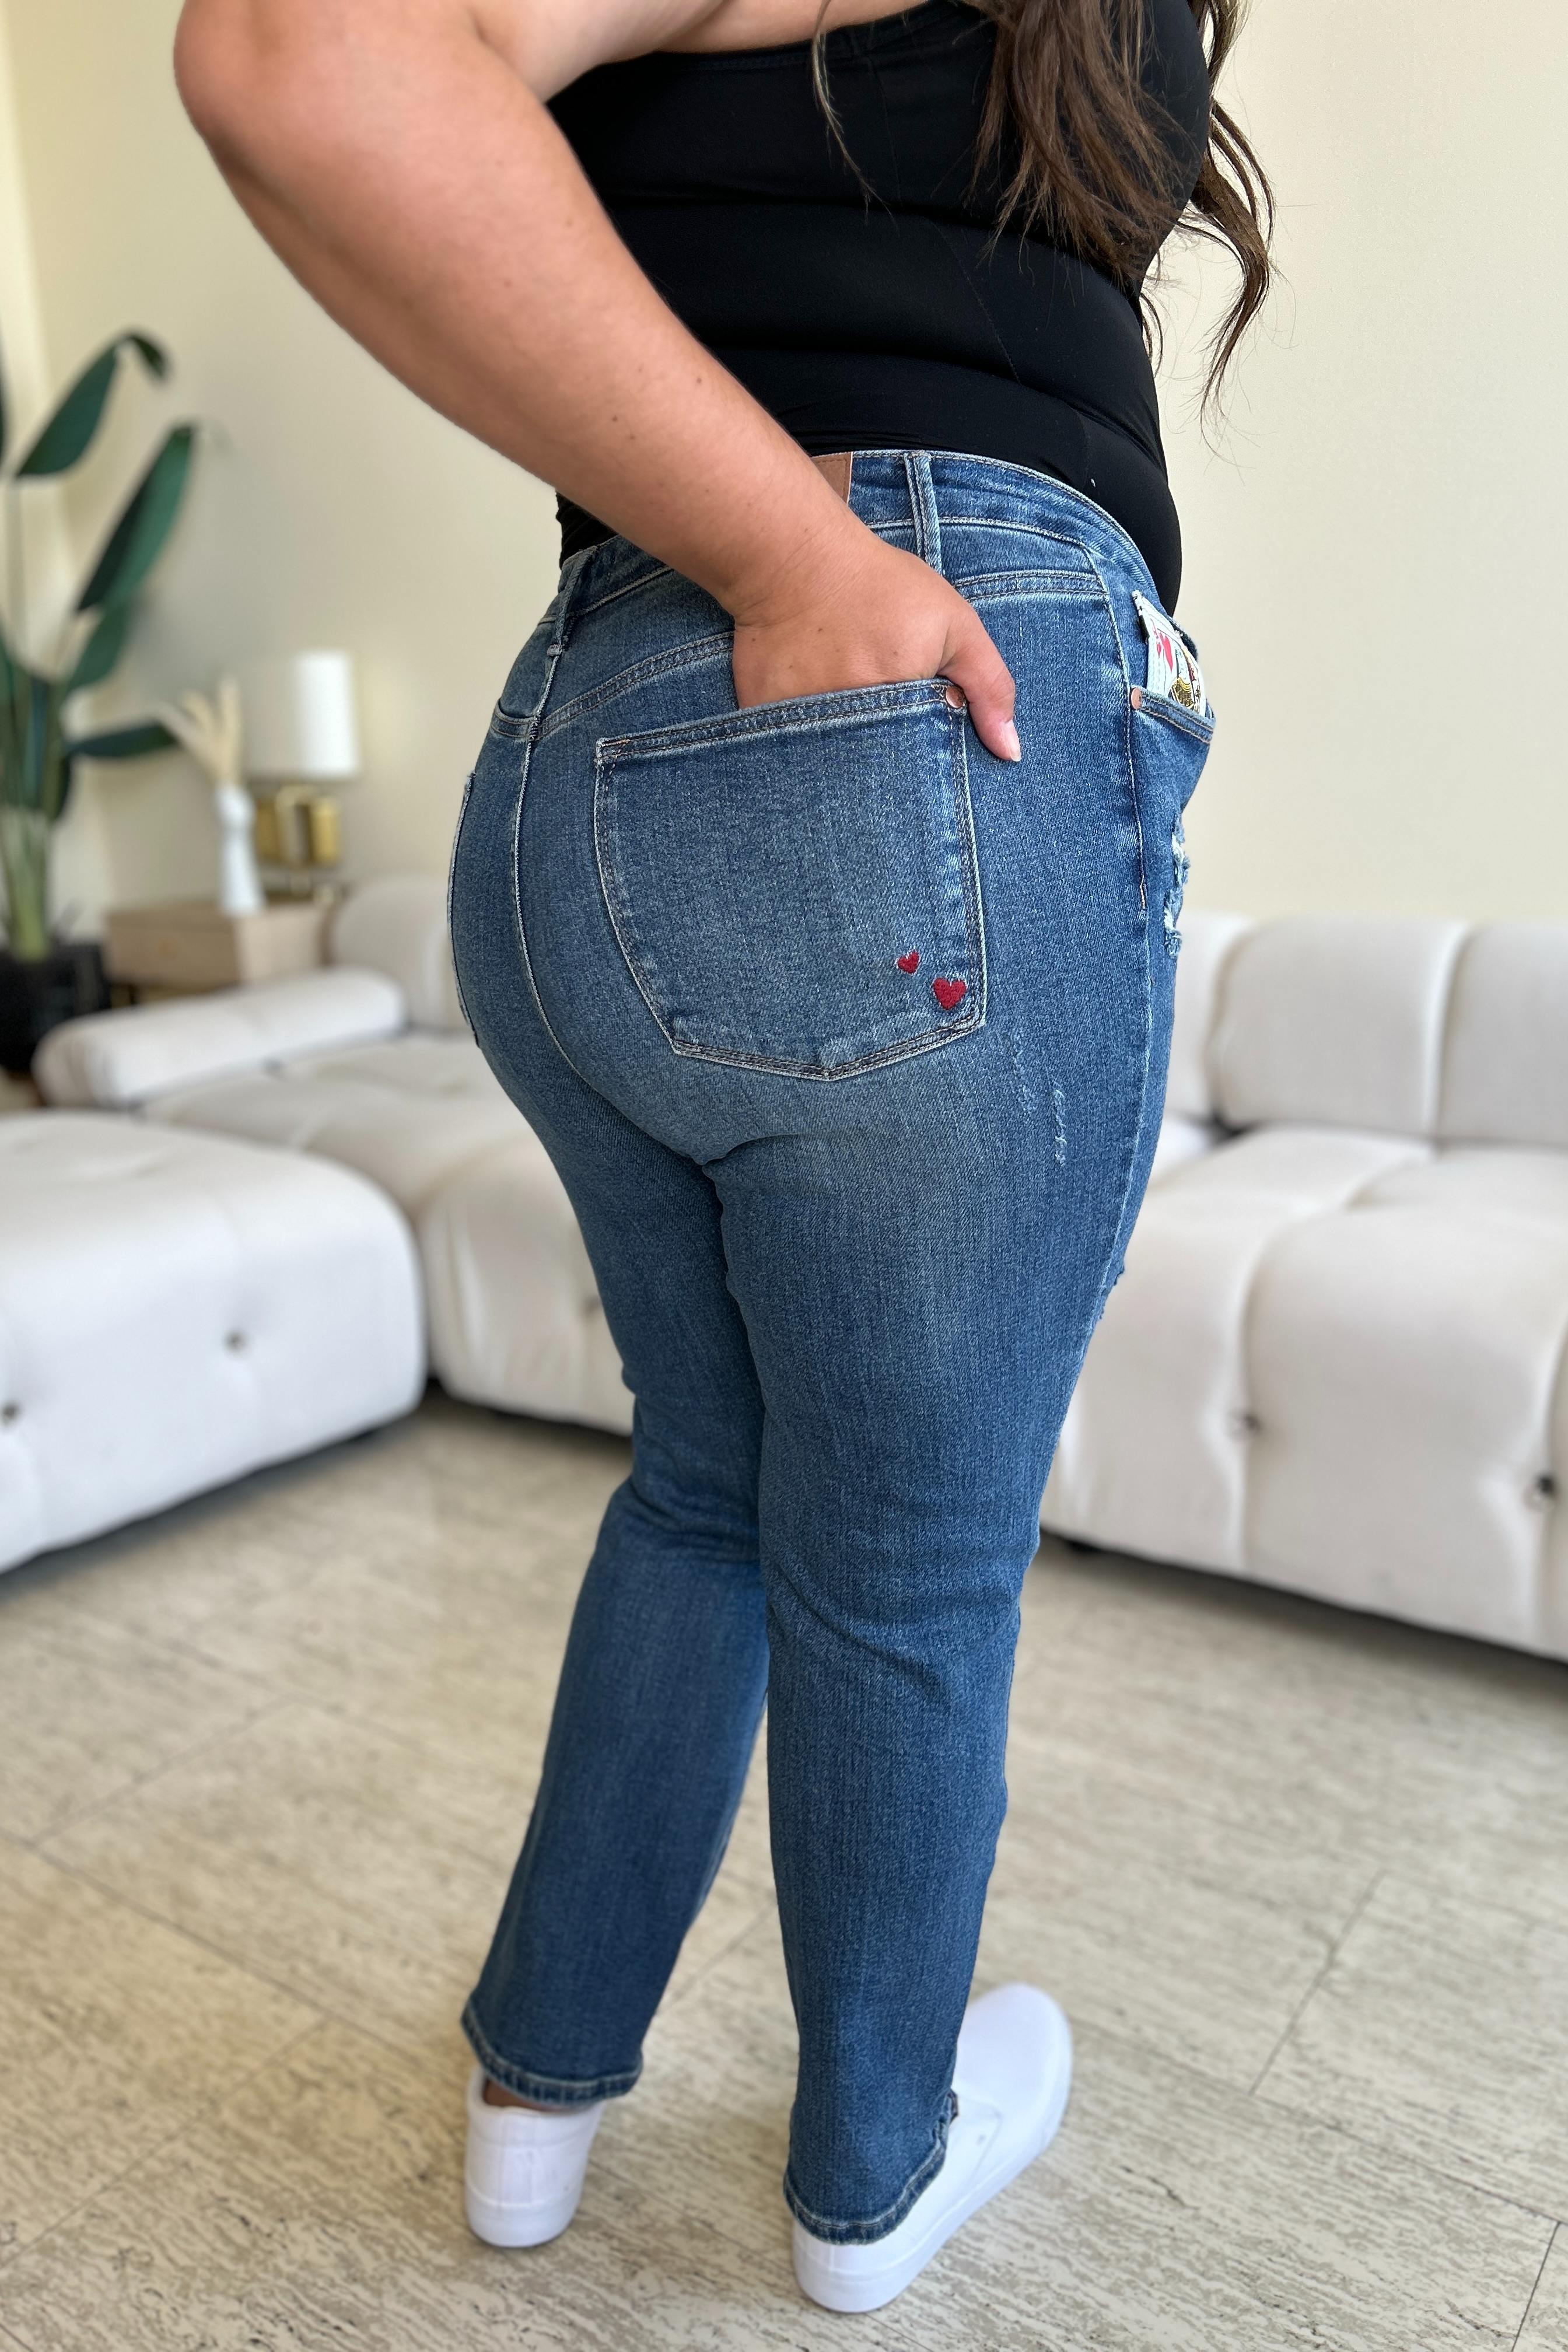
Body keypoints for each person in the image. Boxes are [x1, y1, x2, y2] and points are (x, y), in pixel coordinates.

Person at [176, 0, 1272, 2313]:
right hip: (894, 763)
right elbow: (303, 49)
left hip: (583, 769)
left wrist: (764, 556)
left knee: (708, 1477)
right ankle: (878, 2172)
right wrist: (801, 557)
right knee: (907, 1560)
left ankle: (536, 2104)